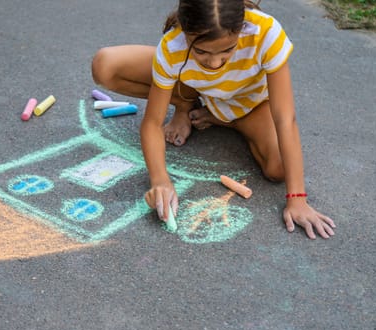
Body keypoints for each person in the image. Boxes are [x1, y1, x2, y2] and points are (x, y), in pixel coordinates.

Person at [91, 0, 336, 239]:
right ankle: (185, 105)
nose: (215, 62)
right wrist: (160, 181)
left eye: (227, 50)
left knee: (278, 168)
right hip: (196, 88)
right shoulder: (173, 46)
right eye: (201, 51)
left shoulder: (265, 32)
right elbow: (153, 122)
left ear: (240, 29)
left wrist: (297, 199)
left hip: (251, 104)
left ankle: (226, 119)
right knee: (105, 65)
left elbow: (285, 117)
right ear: (185, 31)